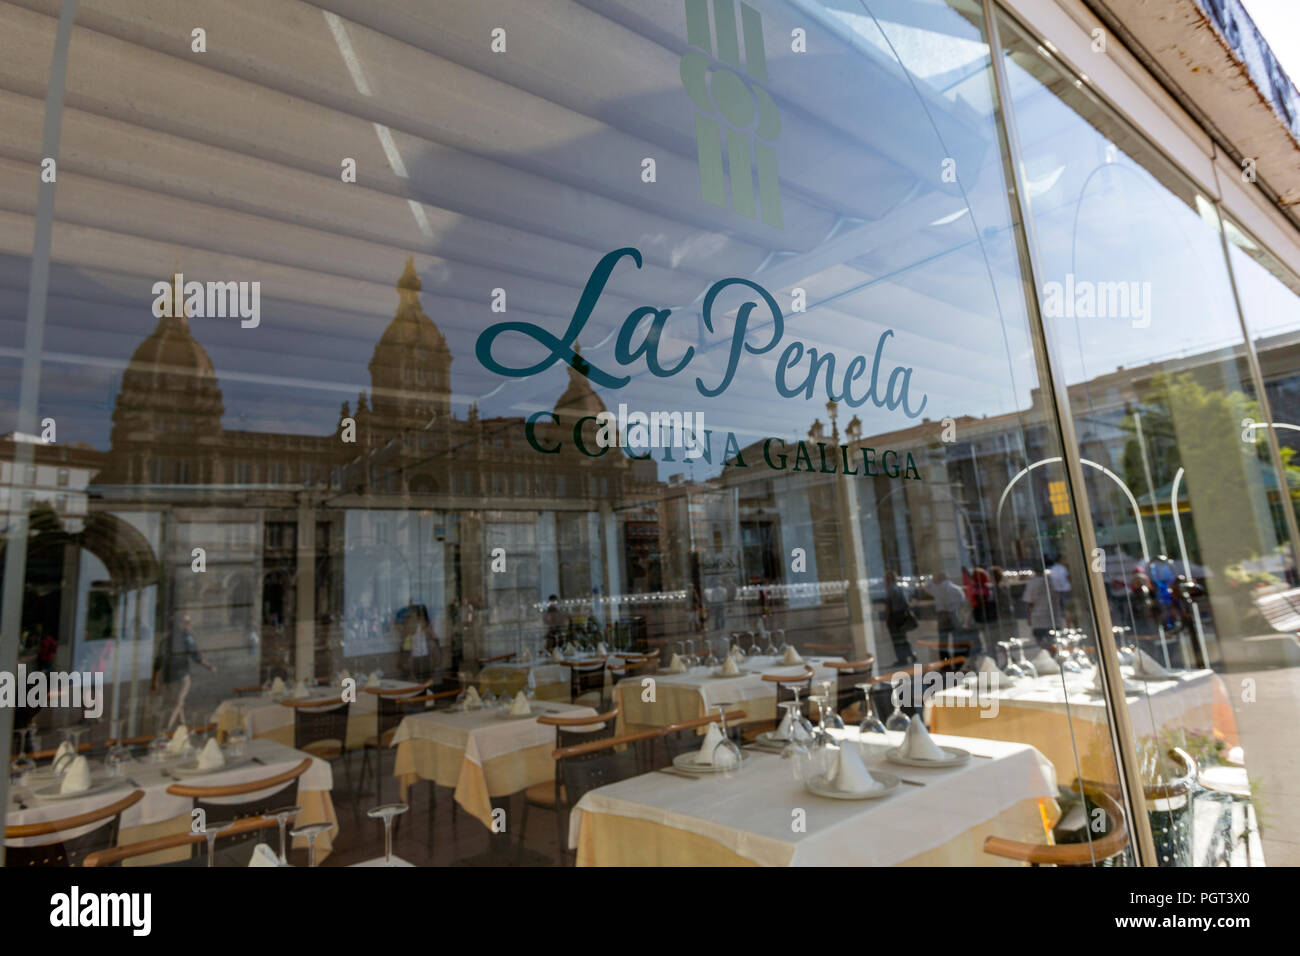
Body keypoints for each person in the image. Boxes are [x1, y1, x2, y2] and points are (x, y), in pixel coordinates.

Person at [154, 614, 216, 731]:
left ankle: (182, 727)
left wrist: (155, 680)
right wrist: (210, 667)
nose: (189, 625)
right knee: (178, 702)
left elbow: (158, 661)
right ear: (180, 624)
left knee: (177, 701)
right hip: (181, 675)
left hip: (169, 676)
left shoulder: (166, 640)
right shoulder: (187, 637)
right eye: (187, 623)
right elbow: (196, 656)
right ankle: (167, 728)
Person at [928, 570, 970, 658]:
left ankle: (945, 659)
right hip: (953, 613)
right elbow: (962, 600)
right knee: (956, 636)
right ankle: (957, 657)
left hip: (942, 614)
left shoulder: (936, 588)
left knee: (943, 638)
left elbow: (927, 587)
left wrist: (933, 580)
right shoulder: (956, 588)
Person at [883, 571, 918, 667]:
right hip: (903, 614)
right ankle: (911, 654)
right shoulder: (902, 587)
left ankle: (902, 659)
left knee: (897, 639)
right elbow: (909, 601)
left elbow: (888, 606)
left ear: (889, 580)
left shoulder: (891, 589)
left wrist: (887, 619)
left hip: (895, 616)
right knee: (902, 637)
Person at [1021, 570, 1057, 647]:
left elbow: (1030, 602)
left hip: (1038, 616)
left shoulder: (1032, 583)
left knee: (1041, 640)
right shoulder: (1050, 582)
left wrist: (1028, 617)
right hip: (1049, 615)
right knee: (1050, 640)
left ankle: (1049, 652)